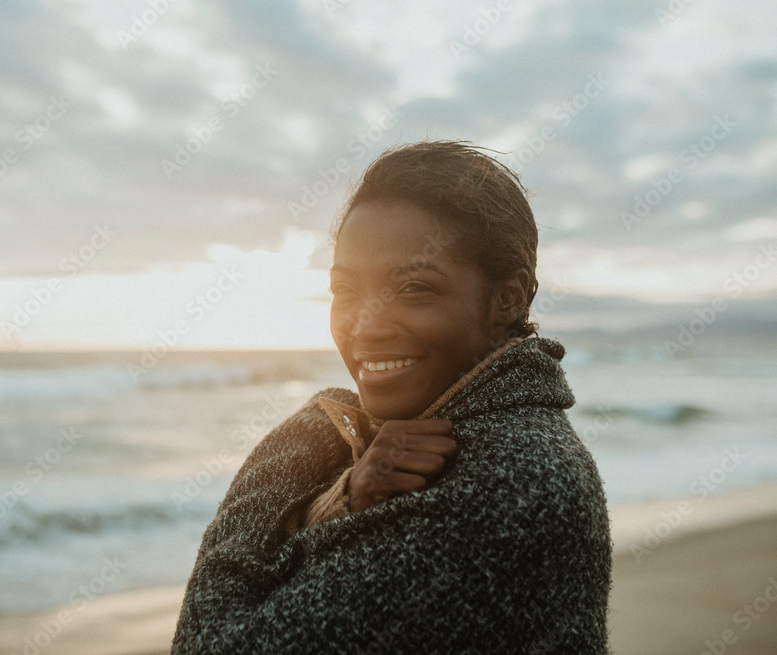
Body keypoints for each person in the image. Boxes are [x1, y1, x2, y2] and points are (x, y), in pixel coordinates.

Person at [171, 141, 612, 654]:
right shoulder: (480, 441)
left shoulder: (507, 485)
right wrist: (340, 498)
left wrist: (301, 438)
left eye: (415, 288)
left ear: (508, 298)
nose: (365, 326)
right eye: (346, 291)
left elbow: (208, 645)